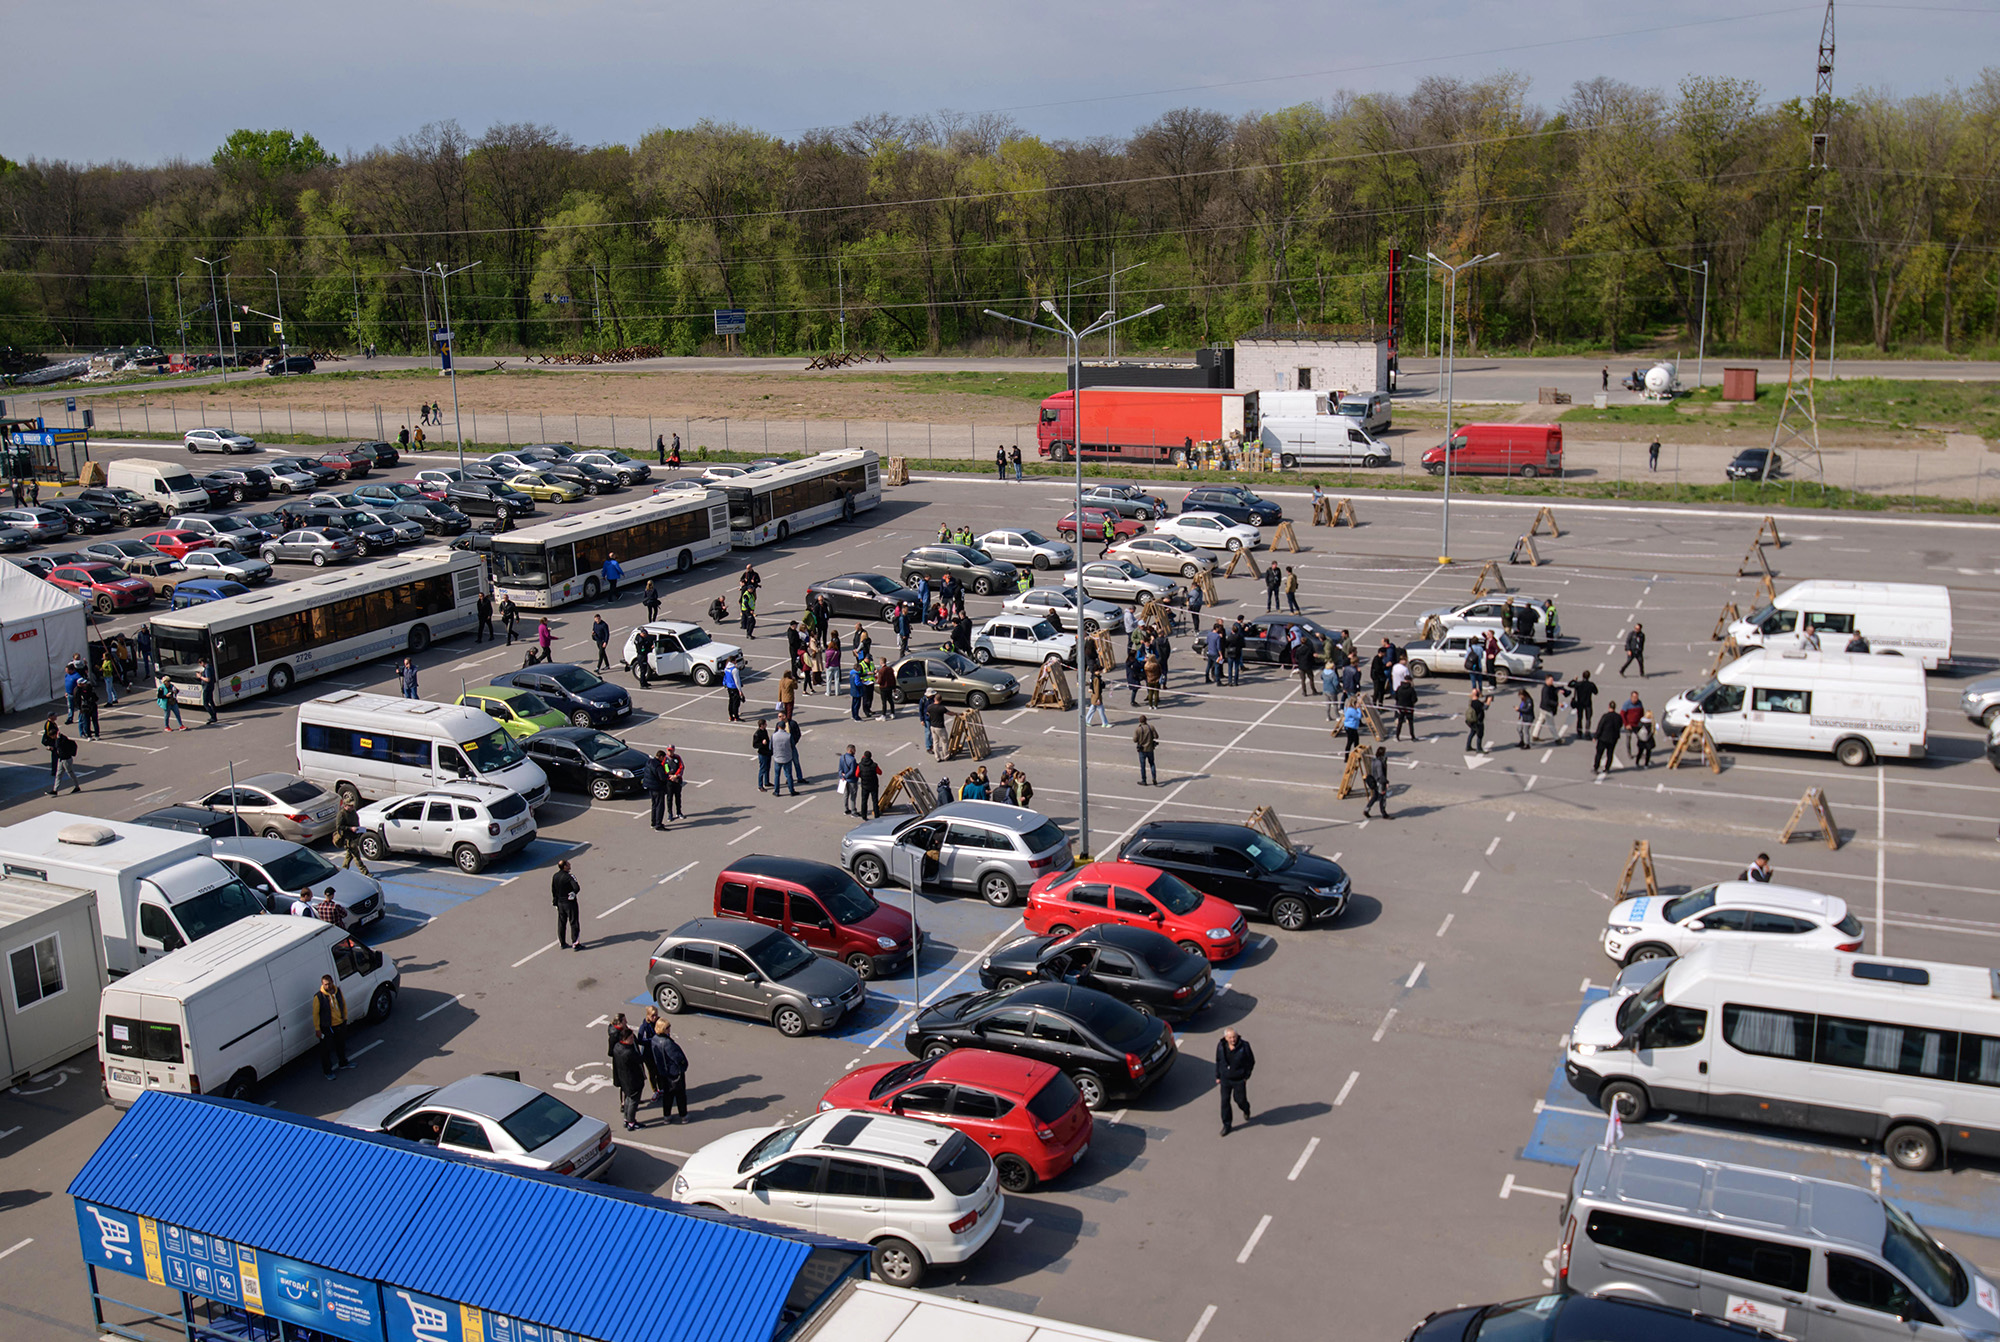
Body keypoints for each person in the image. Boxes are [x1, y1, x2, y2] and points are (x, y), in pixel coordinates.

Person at [1215, 1028, 1255, 1136]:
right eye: (1230, 1038)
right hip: (1225, 1079)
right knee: (1225, 1102)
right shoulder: (1221, 1046)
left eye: (1234, 1037)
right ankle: (1227, 1125)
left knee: (1240, 1100)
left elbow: (1250, 1062)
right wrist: (1218, 1075)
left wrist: (1246, 1076)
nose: (1233, 1039)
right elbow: (1218, 1060)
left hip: (1239, 1079)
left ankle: (1246, 1109)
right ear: (1225, 1038)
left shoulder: (1244, 1046)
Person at [648, 1018, 688, 1124]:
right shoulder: (667, 1043)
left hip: (663, 1072)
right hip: (674, 1073)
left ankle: (667, 1116)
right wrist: (683, 1065)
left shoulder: (655, 1039)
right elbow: (678, 1057)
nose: (669, 1029)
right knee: (680, 1095)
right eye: (668, 1027)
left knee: (667, 1096)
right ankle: (683, 1115)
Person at [312, 973, 352, 1080]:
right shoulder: (319, 997)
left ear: (332, 982)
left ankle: (343, 1063)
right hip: (327, 1027)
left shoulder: (337, 991)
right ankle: (327, 1071)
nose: (328, 986)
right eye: (325, 984)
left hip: (339, 1024)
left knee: (341, 1045)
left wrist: (345, 1018)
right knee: (326, 1050)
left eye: (329, 984)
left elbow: (343, 1004)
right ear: (322, 985)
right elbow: (315, 1014)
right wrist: (317, 1029)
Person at [610, 1025, 646, 1131]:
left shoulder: (617, 1047)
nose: (632, 1040)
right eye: (631, 1038)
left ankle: (626, 1119)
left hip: (623, 1079)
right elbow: (639, 1060)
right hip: (633, 1080)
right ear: (625, 1039)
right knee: (633, 1101)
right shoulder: (629, 1052)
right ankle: (631, 1122)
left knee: (628, 1099)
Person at [552, 859, 583, 951]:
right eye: (568, 864)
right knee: (574, 922)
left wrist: (555, 902)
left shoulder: (555, 876)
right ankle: (575, 943)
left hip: (560, 903)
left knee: (561, 922)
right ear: (565, 866)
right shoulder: (570, 876)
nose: (570, 865)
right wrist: (573, 894)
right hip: (569, 903)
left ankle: (562, 942)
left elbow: (553, 890)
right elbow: (576, 888)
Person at [336, 795, 371, 874]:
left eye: (352, 805)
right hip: (348, 838)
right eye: (350, 806)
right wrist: (350, 828)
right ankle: (365, 873)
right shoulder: (341, 814)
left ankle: (344, 869)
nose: (352, 807)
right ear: (345, 806)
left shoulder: (353, 811)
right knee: (356, 856)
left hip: (355, 836)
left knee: (349, 855)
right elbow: (339, 827)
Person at [47, 722, 81, 795]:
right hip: (61, 759)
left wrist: (58, 739)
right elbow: (58, 748)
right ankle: (55, 790)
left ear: (54, 735)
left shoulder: (62, 739)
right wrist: (52, 748)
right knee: (58, 774)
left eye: (51, 736)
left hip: (66, 759)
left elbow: (60, 747)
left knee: (70, 773)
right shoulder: (58, 739)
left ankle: (77, 787)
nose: (52, 738)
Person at [1362, 745, 1392, 819]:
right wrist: (1386, 782)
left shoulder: (1374, 760)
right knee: (1382, 798)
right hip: (1380, 783)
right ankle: (1384, 813)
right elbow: (1381, 775)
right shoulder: (1379, 763)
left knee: (1375, 797)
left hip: (1374, 781)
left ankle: (1366, 810)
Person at [770, 720, 800, 795]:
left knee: (777, 775)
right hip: (787, 757)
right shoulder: (788, 736)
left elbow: (770, 747)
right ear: (784, 727)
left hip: (777, 758)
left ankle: (776, 791)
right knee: (789, 775)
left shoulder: (774, 736)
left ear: (778, 727)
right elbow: (793, 746)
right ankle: (791, 790)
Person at [1568, 670, 1597, 741]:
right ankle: (1587, 733)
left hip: (1580, 703)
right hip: (1588, 703)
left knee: (1580, 718)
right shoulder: (1591, 684)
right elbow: (1596, 692)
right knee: (1588, 718)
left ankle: (1579, 732)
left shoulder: (1579, 684)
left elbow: (1570, 684)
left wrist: (1574, 680)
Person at [1592, 707, 1622, 775]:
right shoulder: (1618, 717)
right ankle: (1607, 768)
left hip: (1603, 738)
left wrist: (1596, 736)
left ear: (1609, 707)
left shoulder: (1605, 716)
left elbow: (1600, 726)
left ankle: (1596, 767)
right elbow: (1620, 725)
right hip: (1613, 739)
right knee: (1610, 754)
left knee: (1599, 753)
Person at [1534, 675, 1562, 743]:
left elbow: (1554, 689)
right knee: (1551, 725)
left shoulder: (1550, 687)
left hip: (1543, 708)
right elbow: (1547, 700)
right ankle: (1557, 739)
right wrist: (1557, 704)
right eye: (1551, 680)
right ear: (1547, 680)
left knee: (1540, 721)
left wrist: (1558, 690)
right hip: (1547, 709)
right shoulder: (1546, 689)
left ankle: (1535, 735)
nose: (1552, 682)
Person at [855, 749, 881, 820]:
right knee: (875, 801)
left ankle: (864, 815)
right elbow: (880, 772)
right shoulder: (874, 765)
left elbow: (856, 774)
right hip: (874, 785)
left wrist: (862, 776)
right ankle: (876, 815)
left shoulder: (860, 765)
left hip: (865, 786)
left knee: (864, 801)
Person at [645, 750, 669, 829]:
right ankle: (658, 824)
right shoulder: (658, 766)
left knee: (654, 805)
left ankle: (653, 822)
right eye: (663, 758)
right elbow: (662, 777)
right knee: (660, 806)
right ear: (661, 757)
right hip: (658, 788)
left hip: (650, 787)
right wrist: (667, 776)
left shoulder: (649, 762)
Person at [1134, 714, 1159, 786]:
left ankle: (1144, 780)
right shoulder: (1151, 727)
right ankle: (1154, 778)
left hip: (1142, 750)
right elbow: (1156, 736)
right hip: (1150, 748)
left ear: (1139, 721)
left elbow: (1135, 740)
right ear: (1146, 720)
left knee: (1142, 766)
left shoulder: (1138, 729)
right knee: (1152, 764)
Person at [663, 746, 686, 821]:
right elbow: (664, 769)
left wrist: (676, 776)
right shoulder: (665, 759)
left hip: (677, 780)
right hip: (669, 782)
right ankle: (670, 814)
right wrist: (670, 777)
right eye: (669, 750)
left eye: (671, 750)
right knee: (669, 798)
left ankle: (679, 812)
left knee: (678, 797)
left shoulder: (677, 757)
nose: (670, 752)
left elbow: (681, 767)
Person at [1392, 674, 1418, 741]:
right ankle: (1412, 736)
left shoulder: (1399, 688)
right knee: (1410, 722)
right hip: (1409, 708)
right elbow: (1414, 699)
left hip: (1401, 707)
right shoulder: (1411, 689)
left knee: (1400, 722)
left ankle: (1397, 736)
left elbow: (1395, 697)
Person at [752, 720, 773, 792]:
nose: (766, 725)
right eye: (765, 724)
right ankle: (760, 786)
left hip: (767, 752)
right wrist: (762, 743)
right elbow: (754, 745)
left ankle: (766, 782)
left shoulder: (765, 731)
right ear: (762, 725)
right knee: (762, 769)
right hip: (762, 753)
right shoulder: (757, 734)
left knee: (767, 767)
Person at [837, 744, 859, 815]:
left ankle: (846, 809)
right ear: (850, 750)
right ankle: (853, 810)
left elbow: (840, 769)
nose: (855, 751)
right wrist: (846, 776)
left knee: (846, 794)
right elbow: (852, 771)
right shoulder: (852, 760)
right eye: (854, 750)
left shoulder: (842, 757)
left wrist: (842, 776)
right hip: (852, 780)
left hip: (844, 780)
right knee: (853, 795)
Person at [198, 655, 218, 724]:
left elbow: (208, 679)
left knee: (205, 703)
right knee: (211, 701)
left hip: (207, 687)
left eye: (200, 663)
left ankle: (213, 716)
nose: (201, 665)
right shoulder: (210, 667)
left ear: (202, 662)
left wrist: (200, 677)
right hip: (211, 686)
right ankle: (214, 716)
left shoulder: (207, 669)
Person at [722, 658, 743, 722]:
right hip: (734, 687)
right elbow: (737, 681)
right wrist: (740, 690)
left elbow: (725, 677)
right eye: (735, 660)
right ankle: (736, 717)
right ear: (733, 661)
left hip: (729, 687)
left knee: (731, 701)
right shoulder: (734, 670)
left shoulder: (726, 668)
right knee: (736, 703)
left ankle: (731, 716)